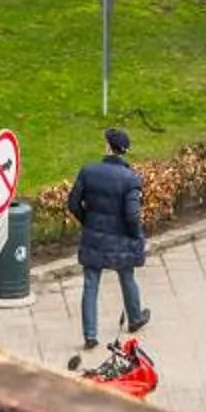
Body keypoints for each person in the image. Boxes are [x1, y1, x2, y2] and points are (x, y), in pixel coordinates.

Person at [66, 126, 151, 354]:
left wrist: (88, 221)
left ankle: (90, 335)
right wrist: (135, 235)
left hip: (94, 237)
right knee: (127, 276)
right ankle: (135, 318)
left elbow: (73, 203)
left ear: (108, 147)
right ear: (124, 151)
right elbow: (132, 215)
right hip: (121, 238)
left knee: (90, 284)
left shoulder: (89, 171)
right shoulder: (131, 179)